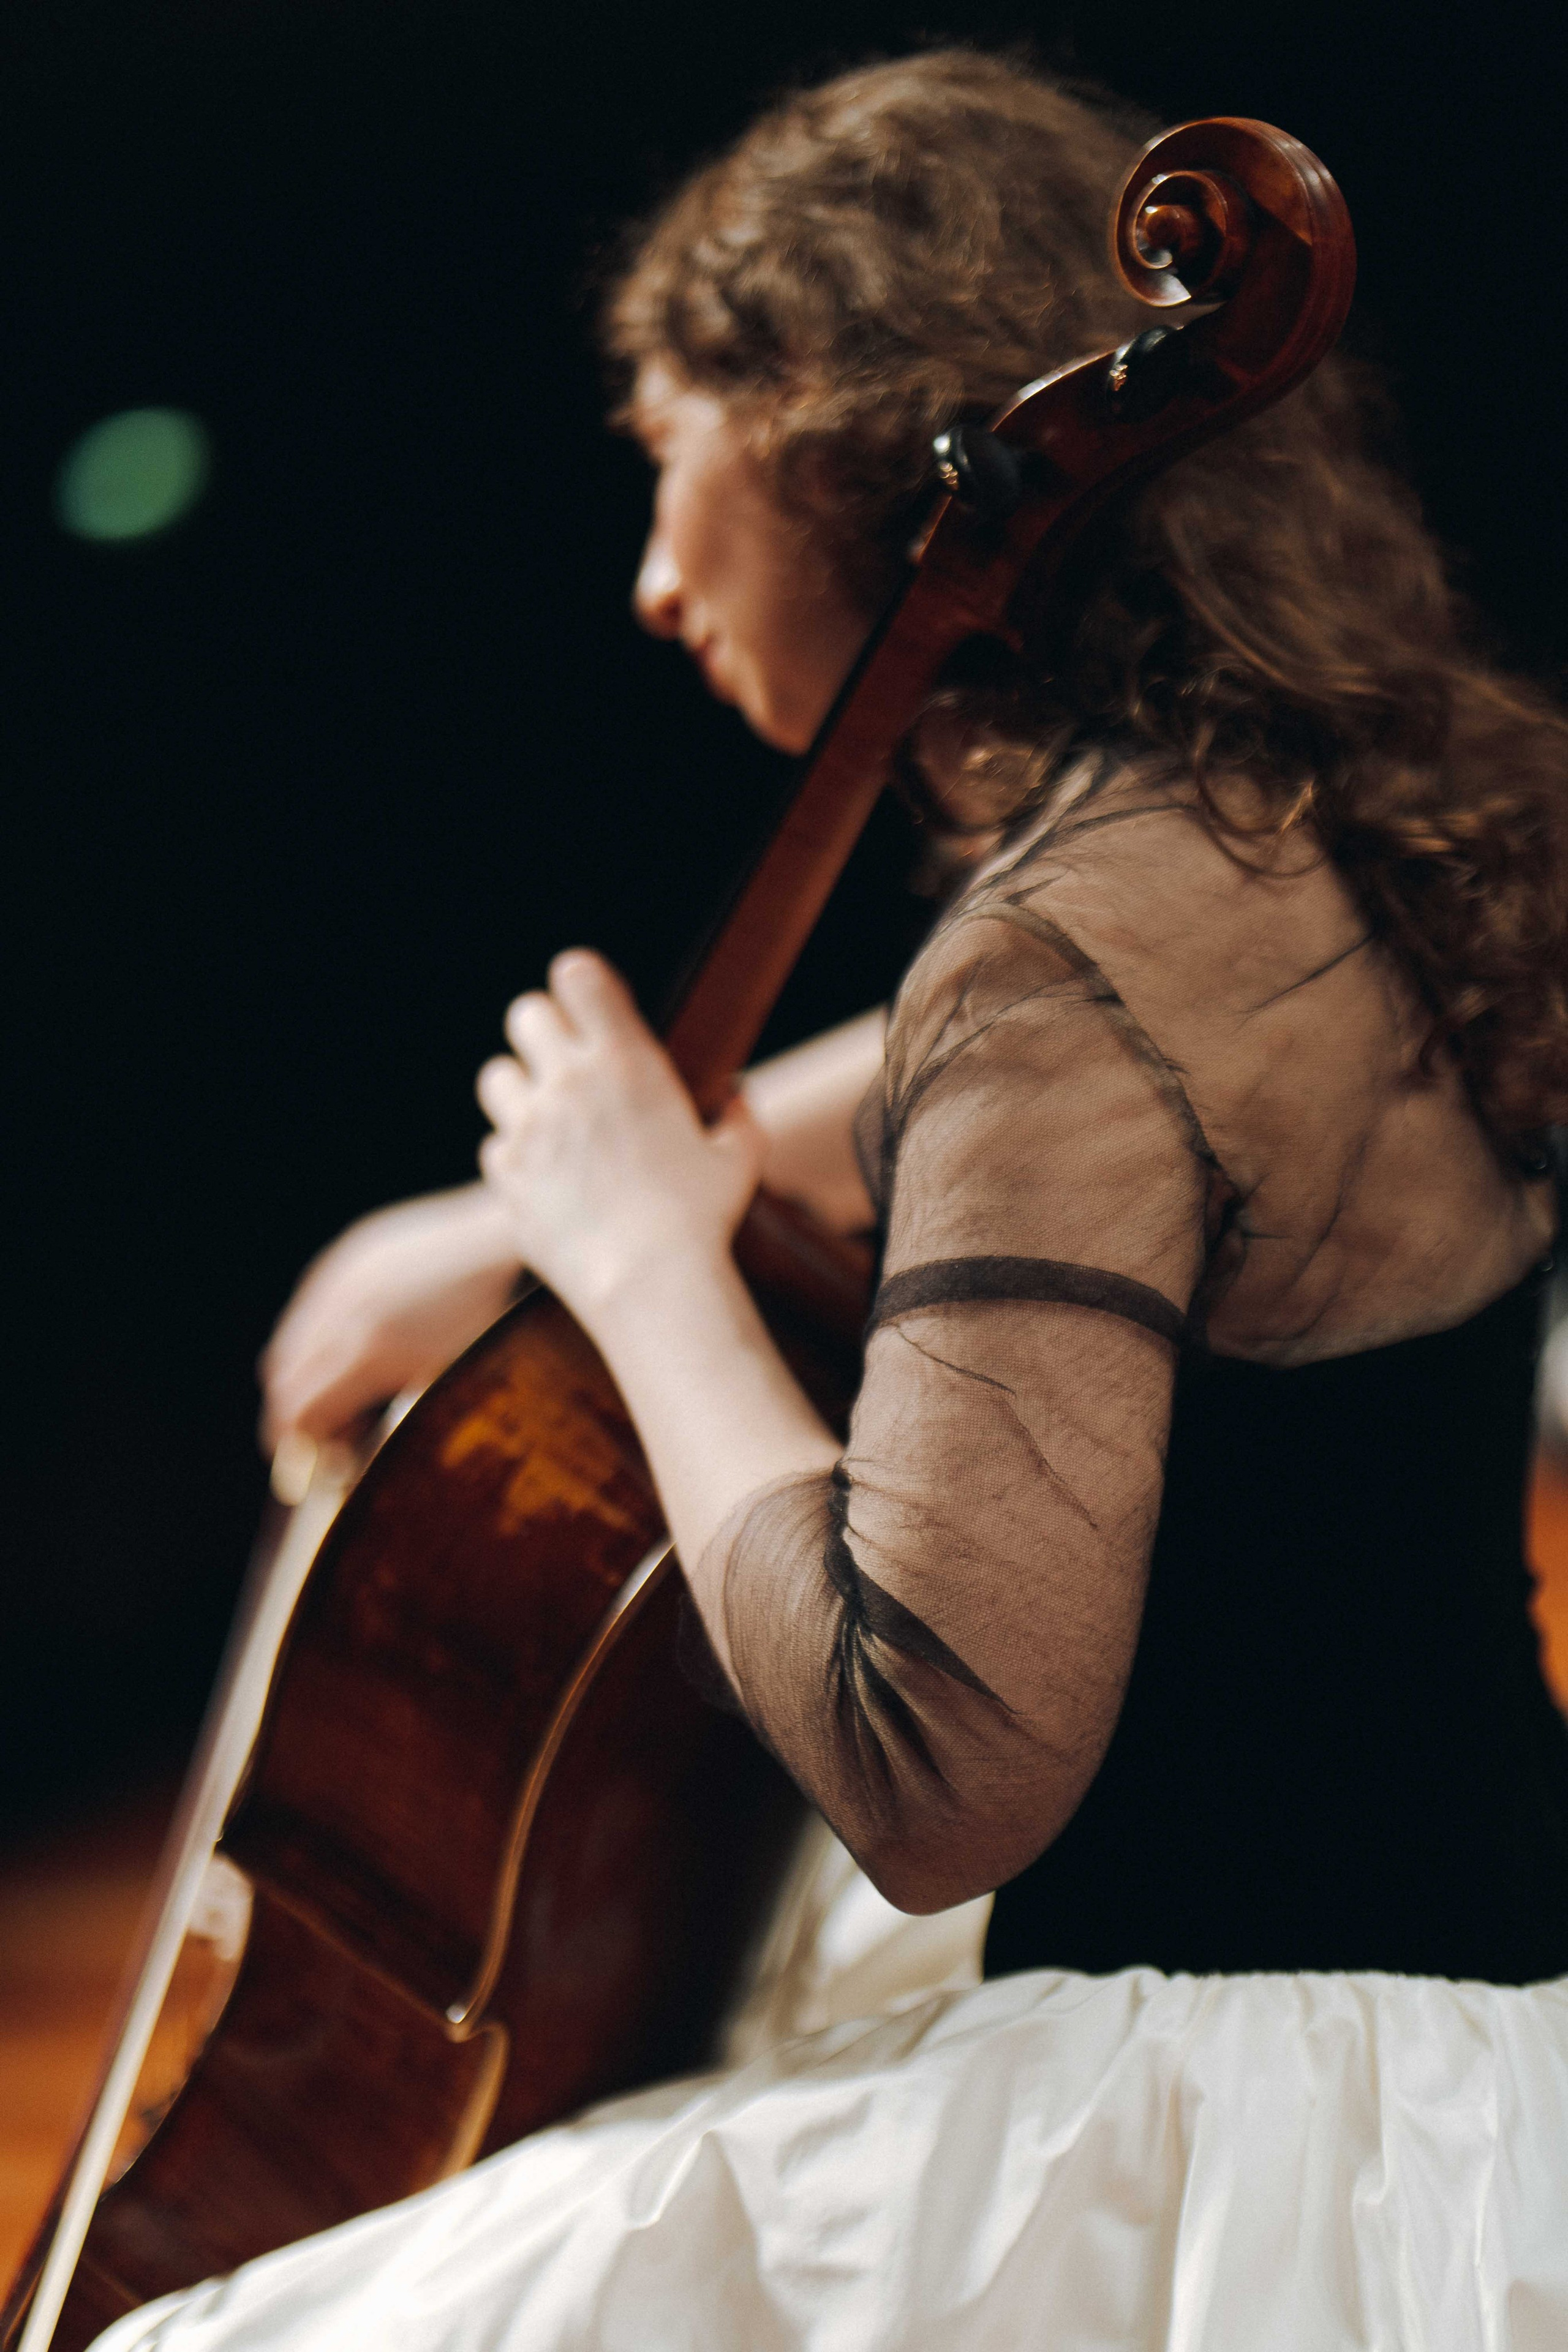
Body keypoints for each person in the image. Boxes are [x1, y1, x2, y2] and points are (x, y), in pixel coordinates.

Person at [100, 48, 1568, 2351]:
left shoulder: (1055, 954)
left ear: (853, 444)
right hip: (1493, 2065)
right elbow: (1059, 1099)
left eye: (672, 461)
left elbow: (940, 1768)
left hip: (1210, 2131)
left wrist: (639, 1260)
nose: (657, 575)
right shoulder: (1325, 825)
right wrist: (521, 1227)